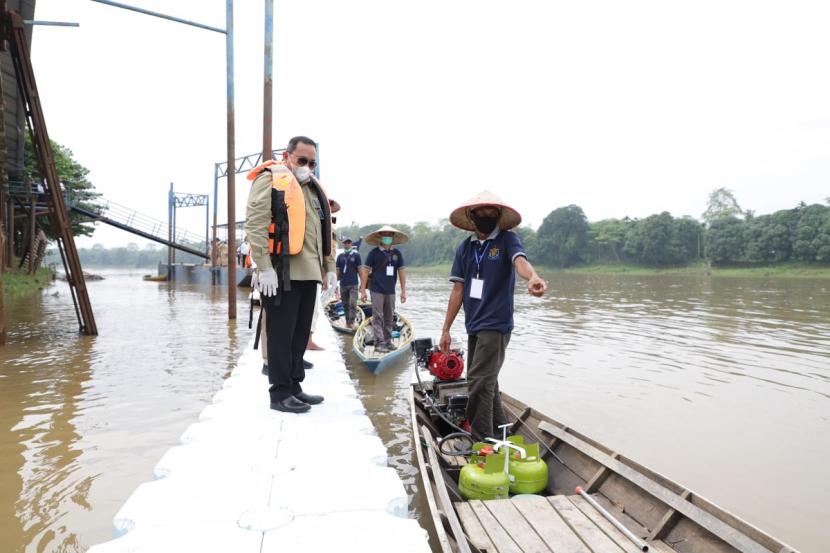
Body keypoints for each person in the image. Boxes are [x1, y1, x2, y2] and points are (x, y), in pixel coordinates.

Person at [438, 191, 547, 440]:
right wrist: (445, 329)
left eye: (492, 214)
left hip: (495, 324)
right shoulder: (464, 248)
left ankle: (482, 443)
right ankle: (500, 435)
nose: (486, 217)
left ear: (499, 216)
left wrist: (533, 277)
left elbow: (520, 262)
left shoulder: (507, 240)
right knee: (488, 382)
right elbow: (458, 290)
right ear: (471, 216)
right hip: (473, 324)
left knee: (477, 382)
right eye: (481, 214)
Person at [245, 135, 336, 414]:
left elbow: (324, 233)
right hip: (283, 271)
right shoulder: (272, 179)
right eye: (302, 160)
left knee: (299, 335)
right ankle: (280, 393)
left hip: (309, 272)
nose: (307, 166)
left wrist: (330, 267)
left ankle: (295, 386)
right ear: (287, 157)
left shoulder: (312, 189)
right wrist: (264, 267)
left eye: (312, 162)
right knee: (281, 335)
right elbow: (256, 222)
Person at [360, 225, 408, 353]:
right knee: (378, 317)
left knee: (389, 317)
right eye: (384, 234)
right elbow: (365, 271)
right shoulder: (374, 253)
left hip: (390, 291)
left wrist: (403, 291)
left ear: (393, 237)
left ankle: (388, 341)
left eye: (389, 235)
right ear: (380, 237)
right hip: (376, 290)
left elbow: (402, 272)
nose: (387, 237)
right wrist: (363, 290)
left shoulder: (397, 254)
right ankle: (379, 343)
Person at [336, 237, 362, 328]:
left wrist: (363, 284)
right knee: (345, 305)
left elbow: (360, 270)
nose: (347, 244)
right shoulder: (340, 257)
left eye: (348, 243)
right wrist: (335, 285)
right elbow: (338, 271)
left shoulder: (356, 256)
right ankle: (348, 322)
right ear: (343, 244)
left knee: (352, 303)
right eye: (345, 243)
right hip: (343, 284)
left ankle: (352, 321)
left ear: (351, 244)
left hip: (353, 284)